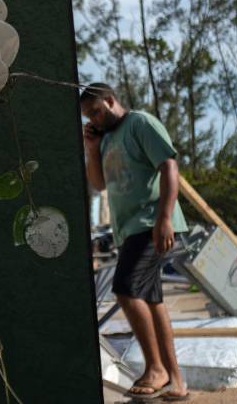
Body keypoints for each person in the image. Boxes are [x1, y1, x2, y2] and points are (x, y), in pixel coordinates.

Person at [80, 83, 190, 401]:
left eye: (97, 112)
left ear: (112, 100)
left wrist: (165, 218)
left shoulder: (140, 122)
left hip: (151, 224)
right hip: (130, 230)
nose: (95, 120)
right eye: (88, 116)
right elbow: (99, 184)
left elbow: (169, 165)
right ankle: (178, 384)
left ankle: (156, 368)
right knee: (152, 300)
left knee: (125, 289)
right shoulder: (106, 138)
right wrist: (91, 148)